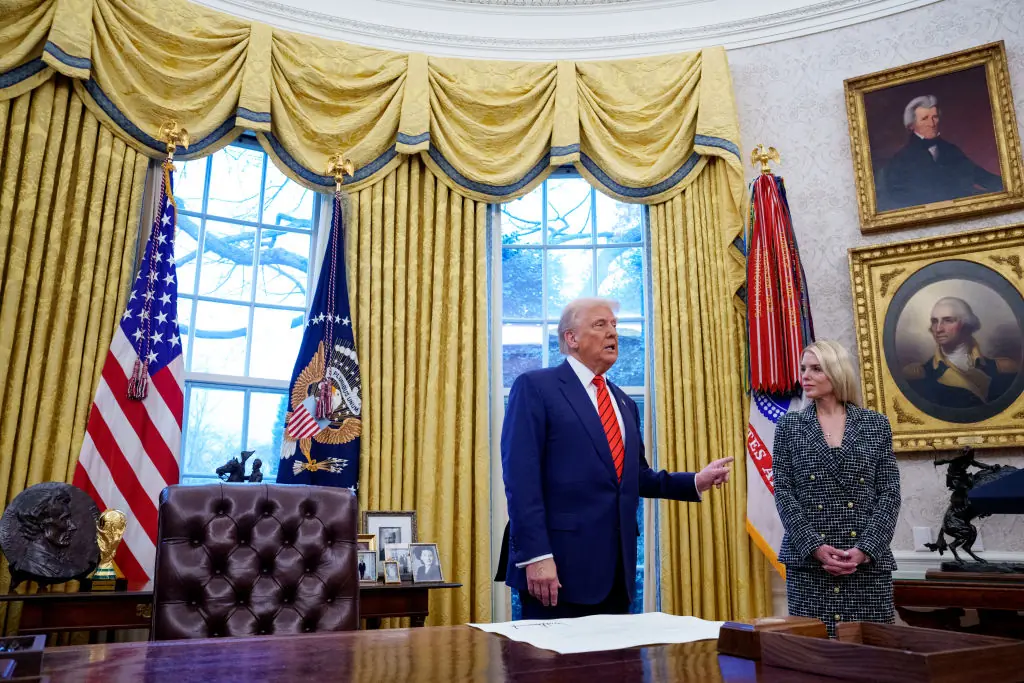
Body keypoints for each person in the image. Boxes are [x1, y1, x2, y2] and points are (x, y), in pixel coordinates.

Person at [498, 297, 733, 619]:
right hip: (557, 569)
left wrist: (695, 481)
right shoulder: (536, 387)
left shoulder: (623, 402)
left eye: (614, 325)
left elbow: (636, 476)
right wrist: (536, 555)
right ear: (571, 338)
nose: (612, 333)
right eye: (600, 325)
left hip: (617, 573)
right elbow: (521, 479)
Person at [773, 340, 901, 638]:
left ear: (837, 371)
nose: (805, 376)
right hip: (809, 566)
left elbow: (889, 493)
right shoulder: (789, 426)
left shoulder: (875, 424)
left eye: (816, 369)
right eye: (803, 368)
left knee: (872, 653)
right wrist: (815, 548)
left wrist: (865, 550)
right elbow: (784, 493)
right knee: (813, 656)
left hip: (867, 566)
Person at [877, 95, 1002, 211]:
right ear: (911, 125)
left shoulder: (951, 150)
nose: (932, 124)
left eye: (935, 117)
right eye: (924, 119)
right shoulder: (901, 160)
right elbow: (898, 200)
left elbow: (978, 174)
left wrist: (1008, 186)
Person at [903, 297, 1018, 409]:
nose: (938, 329)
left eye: (948, 320)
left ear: (967, 324)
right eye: (934, 321)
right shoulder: (918, 376)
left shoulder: (1004, 369)